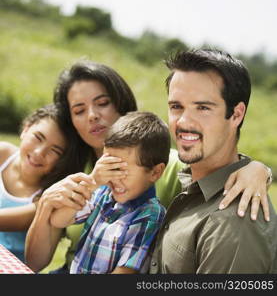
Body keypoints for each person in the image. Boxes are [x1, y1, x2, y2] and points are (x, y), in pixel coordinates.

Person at [25, 60, 272, 273]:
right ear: (72, 120)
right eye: (79, 110)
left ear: (121, 104)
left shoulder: (165, 163)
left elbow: (210, 164)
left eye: (102, 103)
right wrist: (48, 204)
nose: (92, 115)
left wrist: (257, 169)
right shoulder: (75, 166)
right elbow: (35, 261)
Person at [149, 49, 277, 274]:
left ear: (236, 114)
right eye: (176, 106)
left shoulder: (234, 223)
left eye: (203, 108)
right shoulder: (188, 183)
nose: (184, 121)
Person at [50, 111, 170, 274]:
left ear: (155, 172)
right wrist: (92, 182)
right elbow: (58, 220)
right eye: (109, 167)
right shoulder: (103, 193)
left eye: (121, 170)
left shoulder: (150, 216)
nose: (113, 177)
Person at [0, 104, 86, 262]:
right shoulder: (3, 154)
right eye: (38, 138)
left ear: (62, 161)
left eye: (55, 151)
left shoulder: (47, 197)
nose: (39, 153)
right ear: (26, 129)